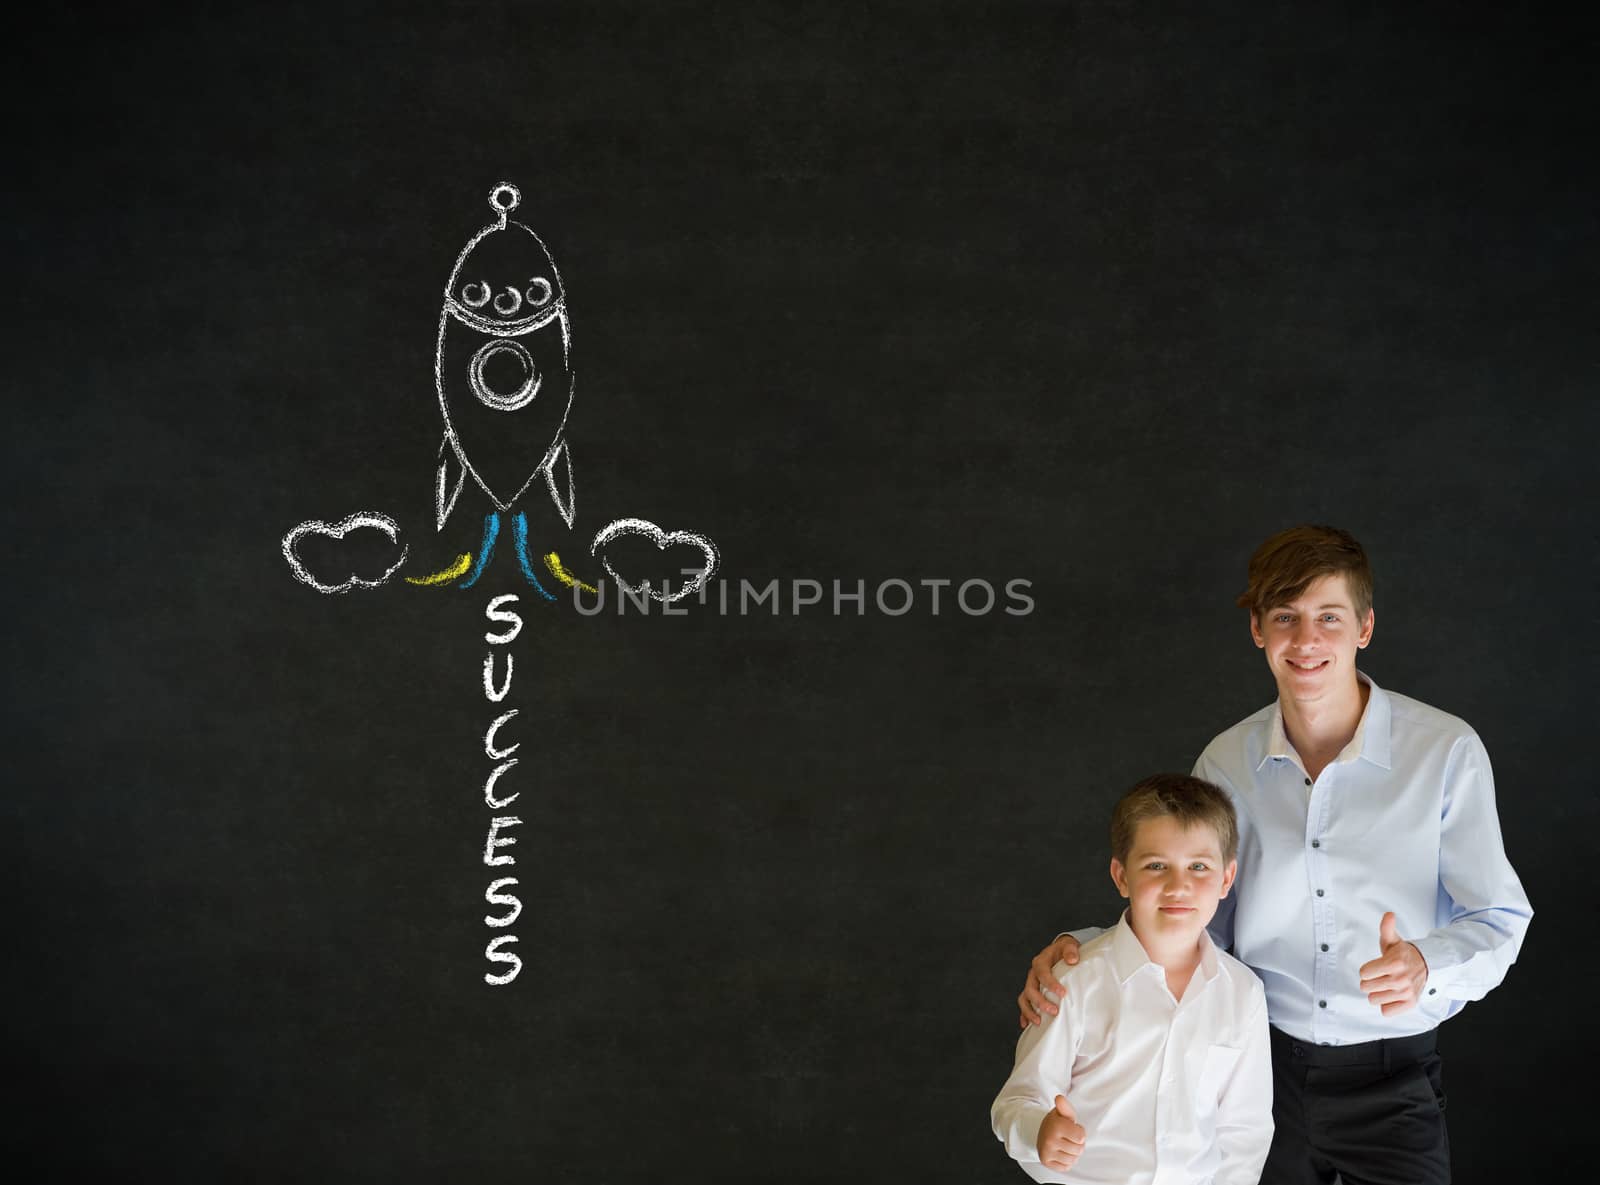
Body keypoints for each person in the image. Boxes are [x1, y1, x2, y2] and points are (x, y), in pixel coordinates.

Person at [1015, 525, 1532, 1185]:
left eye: (1328, 616)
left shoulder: (1445, 751)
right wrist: (1082, 946)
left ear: (1365, 626)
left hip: (1394, 1076)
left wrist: (1425, 964)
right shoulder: (1225, 762)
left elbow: (1498, 916)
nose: (1307, 639)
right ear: (1258, 628)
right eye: (1285, 617)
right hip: (1257, 1069)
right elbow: (1195, 915)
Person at [991, 774, 1273, 1184]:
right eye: (1156, 866)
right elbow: (1015, 1101)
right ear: (1122, 876)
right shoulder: (1075, 982)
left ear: (1226, 879)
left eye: (1199, 866)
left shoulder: (1243, 993)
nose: (1179, 886)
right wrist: (1039, 1131)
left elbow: (1244, 1131)